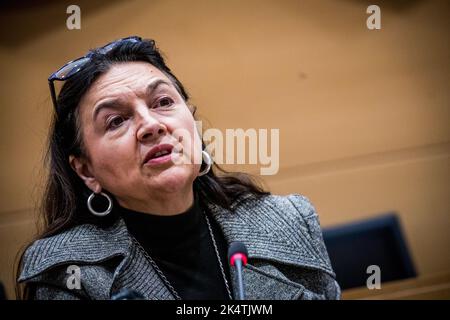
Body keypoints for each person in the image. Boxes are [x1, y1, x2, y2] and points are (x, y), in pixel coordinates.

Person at [16, 36, 340, 300]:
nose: (151, 125)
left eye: (163, 102)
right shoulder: (69, 273)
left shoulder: (289, 221)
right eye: (116, 121)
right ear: (86, 171)